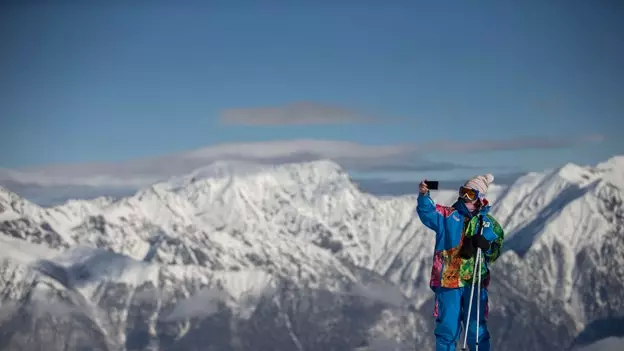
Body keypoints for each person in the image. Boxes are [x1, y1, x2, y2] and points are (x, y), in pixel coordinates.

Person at [416, 174, 505, 351]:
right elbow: (428, 213)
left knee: (476, 329)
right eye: (463, 192)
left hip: (475, 282)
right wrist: (424, 196)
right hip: (449, 281)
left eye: (470, 194)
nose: (464, 197)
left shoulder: (488, 224)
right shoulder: (448, 215)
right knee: (448, 328)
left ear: (479, 198)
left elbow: (496, 250)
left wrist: (486, 246)